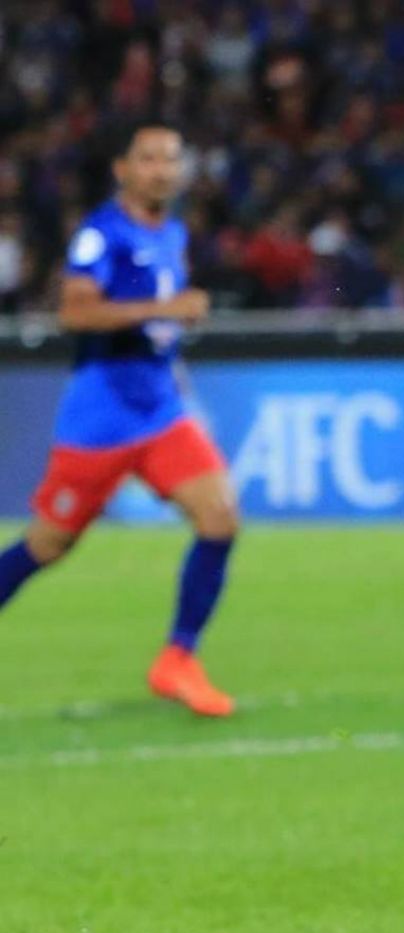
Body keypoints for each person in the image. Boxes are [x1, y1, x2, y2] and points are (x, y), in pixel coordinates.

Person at [0, 121, 238, 718]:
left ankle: (177, 660)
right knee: (47, 545)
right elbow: (76, 314)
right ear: (124, 170)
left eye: (171, 159)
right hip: (99, 421)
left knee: (219, 516)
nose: (161, 169)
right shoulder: (100, 235)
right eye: (148, 158)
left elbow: (160, 329)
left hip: (159, 411)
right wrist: (167, 309)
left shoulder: (173, 232)